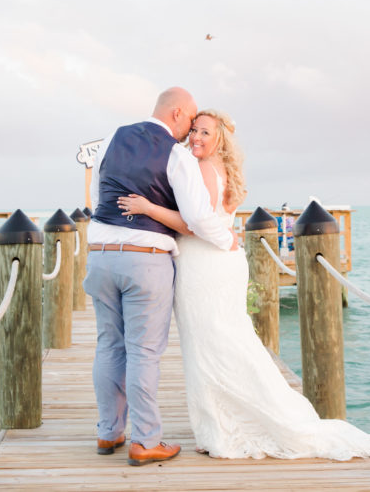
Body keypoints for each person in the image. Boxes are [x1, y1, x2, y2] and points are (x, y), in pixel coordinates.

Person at [117, 110, 370, 477]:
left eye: (205, 132)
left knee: (209, 346)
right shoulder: (223, 170)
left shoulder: (203, 170)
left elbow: (195, 225)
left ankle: (221, 431)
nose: (196, 137)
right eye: (193, 130)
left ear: (220, 138)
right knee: (227, 342)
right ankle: (220, 426)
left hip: (206, 264)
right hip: (222, 264)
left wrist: (148, 208)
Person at [84, 87, 236, 466]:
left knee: (108, 345)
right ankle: (146, 440)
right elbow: (200, 218)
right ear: (178, 113)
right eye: (190, 121)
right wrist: (226, 240)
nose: (189, 133)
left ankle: (109, 432)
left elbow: (96, 192)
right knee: (143, 352)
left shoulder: (113, 136)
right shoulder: (175, 153)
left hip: (100, 255)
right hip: (145, 259)